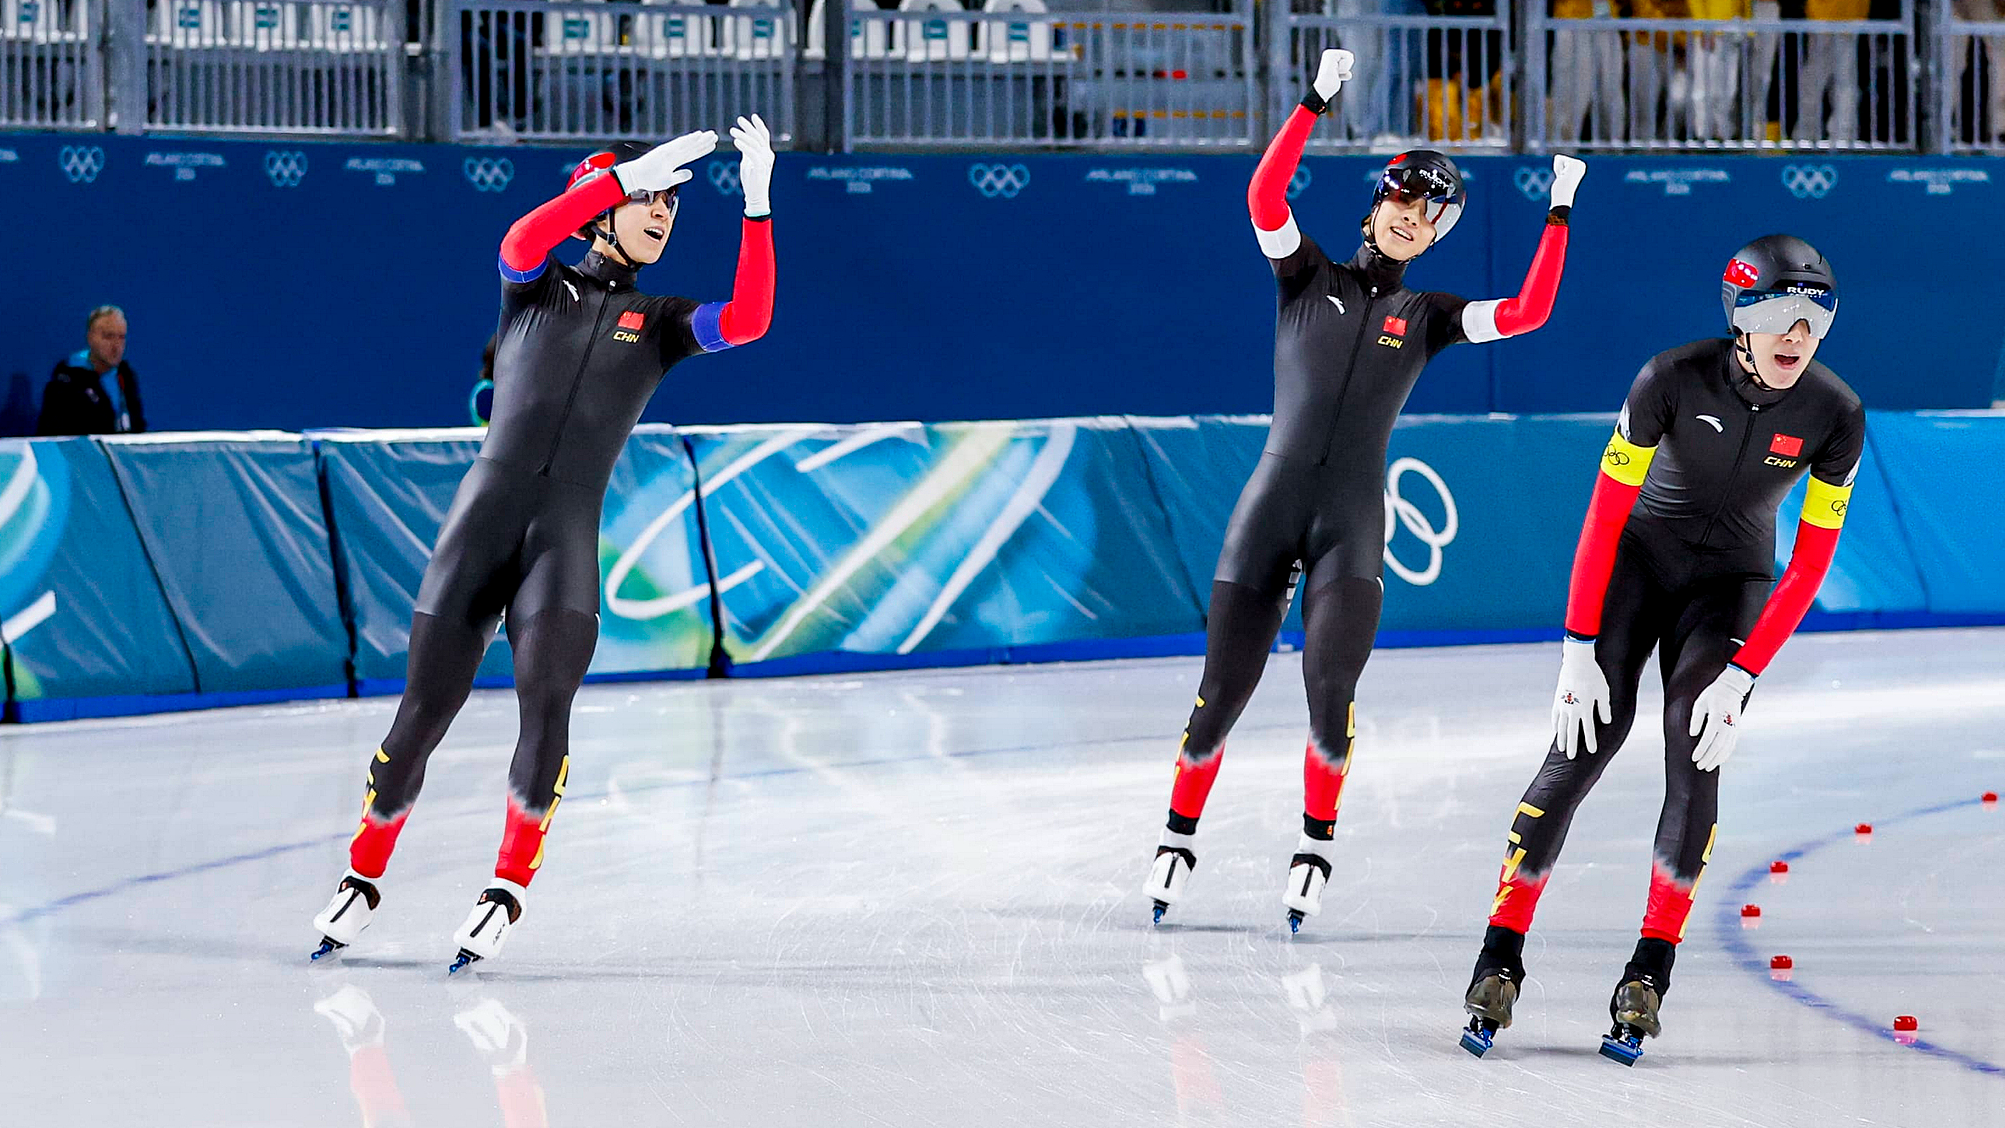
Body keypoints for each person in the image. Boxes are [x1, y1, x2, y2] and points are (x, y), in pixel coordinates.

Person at [309, 115, 778, 971]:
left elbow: (747, 320)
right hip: (481, 523)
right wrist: (622, 176)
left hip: (563, 536)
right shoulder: (531, 289)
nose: (664, 213)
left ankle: (506, 887)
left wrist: (756, 206)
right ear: (599, 209)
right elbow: (522, 238)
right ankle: (362, 874)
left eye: (673, 204)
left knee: (547, 704)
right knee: (422, 713)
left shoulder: (661, 321)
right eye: (650, 199)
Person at [1143, 48, 1587, 932]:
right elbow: (1262, 197)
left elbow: (1528, 312)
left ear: (1434, 236)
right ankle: (1175, 837)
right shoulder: (1305, 275)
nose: (1409, 221)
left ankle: (1314, 847)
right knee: (1220, 692)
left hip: (1349, 524)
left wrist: (1559, 210)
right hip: (1268, 509)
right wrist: (1313, 100)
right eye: (1400, 203)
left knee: (1329, 690)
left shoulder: (1428, 318)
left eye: (1427, 217)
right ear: (1375, 204)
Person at [1458, 235, 1865, 1063]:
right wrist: (1576, 648)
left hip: (1730, 589)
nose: (1798, 335)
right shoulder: (1668, 378)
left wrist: (1743, 674)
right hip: (1636, 568)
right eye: (1782, 315)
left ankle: (1648, 973)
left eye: (1816, 317)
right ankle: (1498, 956)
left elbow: (1809, 562)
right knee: (1583, 743)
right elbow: (1604, 514)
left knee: (1695, 743)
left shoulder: (1835, 413)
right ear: (1739, 317)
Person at [37, 305, 146, 436]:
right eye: (108, 336)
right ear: (90, 338)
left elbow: (137, 427)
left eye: (121, 337)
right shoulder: (65, 383)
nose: (116, 345)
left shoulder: (126, 377)